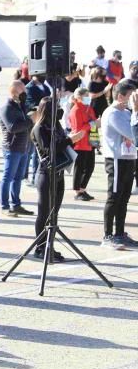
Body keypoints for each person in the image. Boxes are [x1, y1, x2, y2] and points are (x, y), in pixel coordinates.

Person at [31, 97, 86, 262]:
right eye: (57, 108)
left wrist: (70, 141)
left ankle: (50, 246)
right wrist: (70, 140)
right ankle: (40, 248)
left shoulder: (56, 125)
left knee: (54, 214)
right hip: (46, 175)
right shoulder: (40, 128)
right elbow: (50, 150)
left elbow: (62, 144)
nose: (60, 111)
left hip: (59, 173)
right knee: (44, 213)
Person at [100, 81, 138, 250]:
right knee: (114, 197)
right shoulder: (113, 113)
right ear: (121, 96)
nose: (133, 100)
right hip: (116, 159)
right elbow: (132, 133)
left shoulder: (127, 113)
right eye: (131, 96)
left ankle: (120, 233)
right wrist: (136, 112)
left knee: (124, 198)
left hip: (129, 158)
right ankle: (107, 235)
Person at [0, 80, 34, 217]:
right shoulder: (7, 108)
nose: (25, 93)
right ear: (14, 92)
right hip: (12, 148)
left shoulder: (21, 106)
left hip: (23, 147)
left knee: (18, 177)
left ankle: (16, 204)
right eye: (22, 91)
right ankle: (4, 205)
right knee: (8, 177)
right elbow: (12, 128)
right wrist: (31, 120)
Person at [67, 87, 97, 201]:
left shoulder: (88, 108)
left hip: (91, 140)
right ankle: (77, 191)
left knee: (90, 167)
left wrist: (94, 124)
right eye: (86, 96)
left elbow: (93, 122)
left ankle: (82, 188)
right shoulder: (75, 110)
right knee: (80, 167)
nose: (88, 98)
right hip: (80, 142)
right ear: (79, 97)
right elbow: (78, 129)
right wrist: (92, 123)